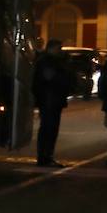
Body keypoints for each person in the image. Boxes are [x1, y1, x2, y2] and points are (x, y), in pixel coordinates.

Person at [32, 39, 75, 167]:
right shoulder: (47, 62)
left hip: (52, 99)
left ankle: (46, 156)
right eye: (58, 48)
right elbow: (51, 78)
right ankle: (45, 156)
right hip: (49, 99)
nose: (60, 51)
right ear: (51, 48)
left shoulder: (51, 61)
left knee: (50, 128)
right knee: (49, 128)